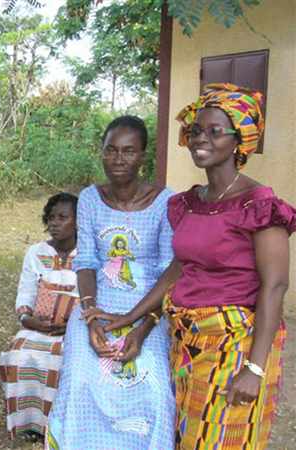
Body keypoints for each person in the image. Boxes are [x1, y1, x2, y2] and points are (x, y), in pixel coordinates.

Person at [90, 84, 296, 449]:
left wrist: (254, 368)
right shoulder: (190, 202)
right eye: (196, 130)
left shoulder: (258, 204)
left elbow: (275, 286)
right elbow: (178, 269)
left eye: (215, 131)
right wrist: (130, 317)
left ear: (239, 140)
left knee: (222, 439)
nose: (201, 138)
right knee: (187, 436)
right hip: (186, 341)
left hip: (234, 343)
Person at [47, 116, 176, 449]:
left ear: (143, 156)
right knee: (79, 383)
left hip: (150, 310)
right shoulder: (90, 199)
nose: (119, 159)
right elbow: (87, 262)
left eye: (129, 151)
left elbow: (169, 272)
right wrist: (91, 317)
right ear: (102, 152)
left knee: (154, 391)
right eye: (111, 150)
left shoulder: (166, 202)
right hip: (98, 305)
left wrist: (142, 329)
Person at [0, 193, 79, 442]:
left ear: (78, 221)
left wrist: (73, 325)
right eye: (51, 217)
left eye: (63, 217)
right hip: (36, 325)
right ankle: (31, 424)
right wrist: (27, 319)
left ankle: (58, 426)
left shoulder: (88, 253)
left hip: (74, 329)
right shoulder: (36, 252)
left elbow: (92, 297)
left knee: (62, 359)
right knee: (18, 355)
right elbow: (25, 291)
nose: (54, 223)